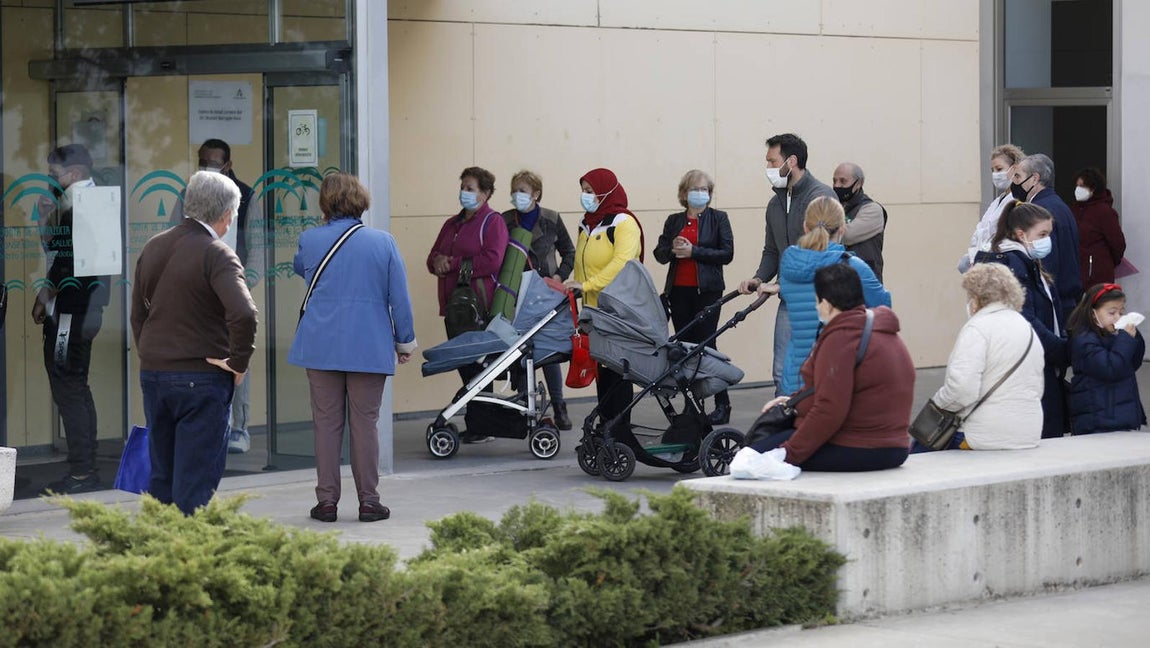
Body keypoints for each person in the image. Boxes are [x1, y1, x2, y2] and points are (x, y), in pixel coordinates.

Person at [290, 173, 416, 523]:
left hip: (321, 345)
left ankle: (326, 501)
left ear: (326, 204)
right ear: (361, 202)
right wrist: (404, 341)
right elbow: (399, 298)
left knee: (326, 424)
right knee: (365, 424)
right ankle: (369, 501)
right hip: (368, 345)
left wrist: (321, 229)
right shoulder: (384, 242)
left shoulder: (310, 239)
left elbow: (300, 267)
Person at [131, 171, 258, 515]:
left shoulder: (154, 245)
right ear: (226, 215)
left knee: (162, 477)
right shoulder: (217, 253)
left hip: (155, 375)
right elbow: (244, 314)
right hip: (202, 378)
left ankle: (159, 553)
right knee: (195, 482)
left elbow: (138, 315)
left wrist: (152, 353)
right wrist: (238, 363)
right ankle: (189, 557)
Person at [750, 263, 915, 472]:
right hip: (894, 446)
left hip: (860, 446)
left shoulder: (841, 336)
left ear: (827, 304)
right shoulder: (881, 329)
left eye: (817, 302)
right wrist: (795, 401)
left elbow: (829, 410)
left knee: (753, 454)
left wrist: (789, 453)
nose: (817, 308)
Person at [170, 138, 265, 455]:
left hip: (232, 292)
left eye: (214, 162)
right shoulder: (187, 197)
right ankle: (206, 424)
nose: (208, 168)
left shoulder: (248, 197)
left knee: (235, 357)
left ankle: (239, 428)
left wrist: (241, 286)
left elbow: (258, 251)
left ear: (228, 164)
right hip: (195, 293)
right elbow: (171, 240)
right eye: (203, 162)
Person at [35, 144, 111, 495]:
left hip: (71, 312)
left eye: (55, 175)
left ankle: (83, 471)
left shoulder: (80, 206)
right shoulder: (93, 203)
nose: (52, 181)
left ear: (75, 174)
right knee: (75, 385)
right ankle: (84, 466)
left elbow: (65, 259)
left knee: (67, 384)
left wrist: (47, 292)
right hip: (85, 309)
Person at [738, 133, 837, 397]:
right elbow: (772, 250)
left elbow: (820, 254)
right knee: (782, 372)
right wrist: (759, 278)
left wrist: (780, 284)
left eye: (772, 162)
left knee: (815, 370)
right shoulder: (775, 204)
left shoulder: (821, 198)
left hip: (821, 299)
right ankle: (786, 431)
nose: (768, 169)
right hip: (790, 298)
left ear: (791, 161)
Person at [769, 196, 890, 397]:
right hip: (839, 375)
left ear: (805, 227)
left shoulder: (790, 262)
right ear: (842, 229)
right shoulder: (853, 266)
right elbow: (884, 309)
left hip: (795, 378)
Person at [915, 263, 1044, 451]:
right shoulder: (1028, 329)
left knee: (919, 449)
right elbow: (1037, 387)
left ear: (976, 297)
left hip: (983, 435)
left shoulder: (977, 328)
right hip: (1028, 433)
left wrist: (936, 405)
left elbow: (961, 390)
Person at [426, 166, 508, 444]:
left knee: (477, 367)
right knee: (466, 367)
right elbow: (433, 257)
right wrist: (437, 261)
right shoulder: (452, 224)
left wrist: (454, 265)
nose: (464, 192)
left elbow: (493, 260)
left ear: (485, 193)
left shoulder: (492, 222)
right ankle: (480, 423)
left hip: (477, 307)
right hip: (453, 308)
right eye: (463, 187)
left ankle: (482, 425)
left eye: (470, 188)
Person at [975, 201, 1069, 438]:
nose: (1048, 240)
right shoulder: (1013, 263)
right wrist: (1060, 349)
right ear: (1021, 234)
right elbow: (1025, 317)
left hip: (1042, 359)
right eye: (1043, 234)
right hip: (1032, 361)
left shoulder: (1027, 261)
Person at [564, 168, 642, 437]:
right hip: (594, 311)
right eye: (583, 190)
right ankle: (606, 422)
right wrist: (578, 289)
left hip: (618, 310)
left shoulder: (623, 222)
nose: (585, 196)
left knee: (618, 371)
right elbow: (581, 262)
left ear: (605, 191)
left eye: (590, 191)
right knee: (602, 369)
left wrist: (587, 285)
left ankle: (619, 428)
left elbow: (622, 263)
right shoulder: (587, 223)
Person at [653, 169, 735, 425]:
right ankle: (692, 405)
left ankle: (723, 403)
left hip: (707, 291)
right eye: (695, 189)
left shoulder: (719, 218)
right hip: (678, 291)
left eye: (704, 190)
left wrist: (694, 252)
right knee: (684, 349)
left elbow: (727, 253)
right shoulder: (673, 220)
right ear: (683, 194)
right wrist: (672, 248)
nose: (700, 194)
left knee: (707, 345)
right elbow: (659, 253)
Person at [501, 170, 576, 430]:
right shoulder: (506, 220)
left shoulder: (551, 219)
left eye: (522, 190)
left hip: (546, 293)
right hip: (518, 294)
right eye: (514, 190)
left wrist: (559, 275)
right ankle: (526, 407)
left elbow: (569, 252)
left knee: (547, 350)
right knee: (521, 350)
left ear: (536, 194)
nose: (516, 196)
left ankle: (559, 407)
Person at [1067, 283, 1146, 436]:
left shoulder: (1115, 335)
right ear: (1092, 313)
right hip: (1098, 420)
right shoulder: (1084, 340)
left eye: (1121, 312)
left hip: (1121, 414)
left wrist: (1135, 338)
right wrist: (1126, 340)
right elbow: (1111, 368)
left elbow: (1132, 363)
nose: (1118, 317)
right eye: (1112, 312)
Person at [1009, 153, 1082, 317]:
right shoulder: (1059, 204)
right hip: (1066, 298)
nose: (1014, 182)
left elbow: (1046, 262)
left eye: (1018, 176)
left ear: (1034, 179)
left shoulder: (1039, 211)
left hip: (1052, 302)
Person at [960, 144, 1025, 272]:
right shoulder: (997, 201)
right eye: (993, 170)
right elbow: (981, 231)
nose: (995, 174)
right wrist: (974, 255)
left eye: (999, 169)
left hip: (1001, 265)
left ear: (1014, 168)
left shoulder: (1018, 201)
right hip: (985, 263)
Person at [1071, 167, 1126, 286]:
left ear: (1093, 188)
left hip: (1098, 276)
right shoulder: (1075, 209)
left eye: (1082, 186)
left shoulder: (1105, 212)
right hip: (1078, 273)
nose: (1078, 190)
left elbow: (1118, 244)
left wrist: (1105, 262)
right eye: (1077, 186)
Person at [833, 162, 887, 281]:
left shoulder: (872, 209)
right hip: (838, 284)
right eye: (834, 181)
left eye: (843, 181)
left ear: (859, 183)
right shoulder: (835, 207)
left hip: (865, 284)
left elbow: (846, 235)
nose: (837, 185)